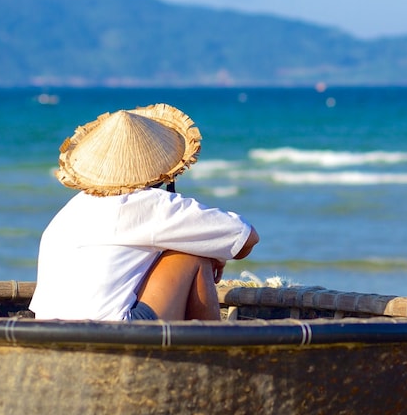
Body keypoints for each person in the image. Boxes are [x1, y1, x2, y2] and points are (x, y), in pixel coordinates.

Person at [29, 103, 259, 322]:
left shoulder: (72, 208)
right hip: (112, 332)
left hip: (50, 329)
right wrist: (211, 253)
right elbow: (246, 238)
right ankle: (210, 354)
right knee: (193, 257)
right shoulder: (150, 203)